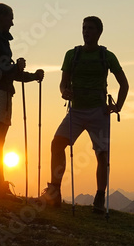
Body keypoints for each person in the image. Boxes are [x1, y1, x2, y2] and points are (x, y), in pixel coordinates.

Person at [40, 16, 128, 213]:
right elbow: (63, 82)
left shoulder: (107, 56)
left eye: (90, 28)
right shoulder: (72, 55)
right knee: (57, 144)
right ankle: (54, 191)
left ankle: (98, 197)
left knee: (102, 155)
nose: (86, 31)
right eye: (84, 28)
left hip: (98, 111)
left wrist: (117, 106)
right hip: (77, 111)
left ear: (98, 32)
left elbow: (124, 83)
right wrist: (64, 91)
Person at [0, 2, 44, 200]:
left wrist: (29, 75)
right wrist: (15, 68)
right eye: (10, 18)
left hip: (2, 94)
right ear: (0, 19)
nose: (13, 23)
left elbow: (5, 71)